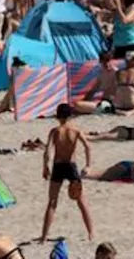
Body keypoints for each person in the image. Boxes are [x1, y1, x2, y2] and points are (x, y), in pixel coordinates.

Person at [40, 104, 95, 243]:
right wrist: (88, 165)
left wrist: (45, 167)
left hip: (58, 166)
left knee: (52, 202)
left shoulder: (55, 131)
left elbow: (47, 152)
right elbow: (88, 147)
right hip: (71, 166)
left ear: (58, 116)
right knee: (82, 202)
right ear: (70, 115)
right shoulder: (75, 130)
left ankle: (44, 237)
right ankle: (91, 234)